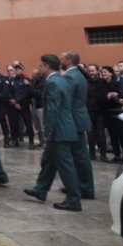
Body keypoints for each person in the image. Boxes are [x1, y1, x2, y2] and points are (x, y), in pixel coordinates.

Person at [24, 54, 82, 212]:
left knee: (65, 166)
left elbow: (53, 109)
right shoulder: (62, 80)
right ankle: (40, 190)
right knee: (48, 162)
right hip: (63, 128)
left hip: (59, 130)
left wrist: (47, 131)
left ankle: (74, 200)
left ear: (47, 66)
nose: (40, 69)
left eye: (41, 66)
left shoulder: (54, 83)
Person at [60, 51, 94, 199]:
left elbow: (66, 99)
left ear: (68, 61)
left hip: (73, 119)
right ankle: (80, 185)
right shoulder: (78, 74)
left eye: (62, 59)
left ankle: (84, 187)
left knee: (79, 156)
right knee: (79, 155)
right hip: (79, 117)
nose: (60, 61)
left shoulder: (70, 76)